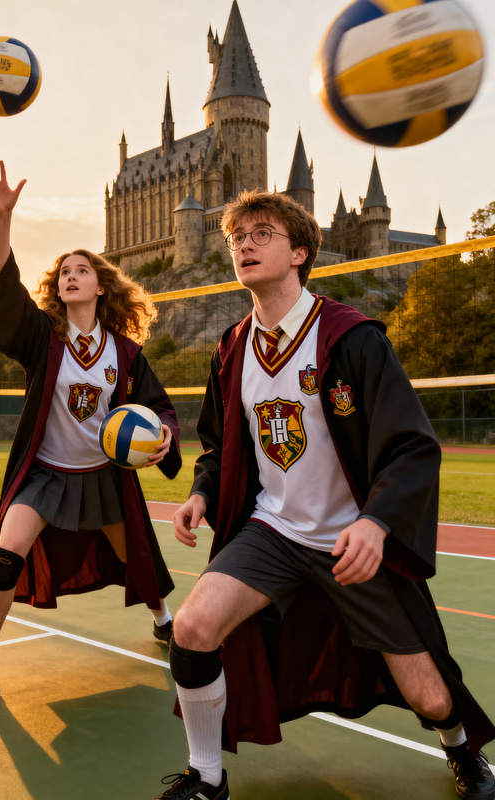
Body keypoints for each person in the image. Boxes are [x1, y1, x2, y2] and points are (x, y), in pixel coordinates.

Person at [153, 189, 495, 800]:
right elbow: (220, 444)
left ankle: (461, 751)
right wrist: (203, 493)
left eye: (262, 233)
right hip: (272, 531)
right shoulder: (232, 349)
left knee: (431, 696)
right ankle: (206, 777)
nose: (244, 244)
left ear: (301, 252)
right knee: (194, 627)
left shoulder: (351, 339)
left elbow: (413, 447)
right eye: (237, 237)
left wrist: (376, 523)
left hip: (347, 539)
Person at [0, 161, 182, 695]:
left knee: (137, 558)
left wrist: (164, 435)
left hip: (103, 476)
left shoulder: (123, 353)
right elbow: (2, 292)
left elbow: (159, 407)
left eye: (82, 269)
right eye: (63, 272)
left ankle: (164, 620)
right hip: (47, 476)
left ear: (101, 286)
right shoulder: (42, 337)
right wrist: (3, 218)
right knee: (5, 556)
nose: (69, 275)